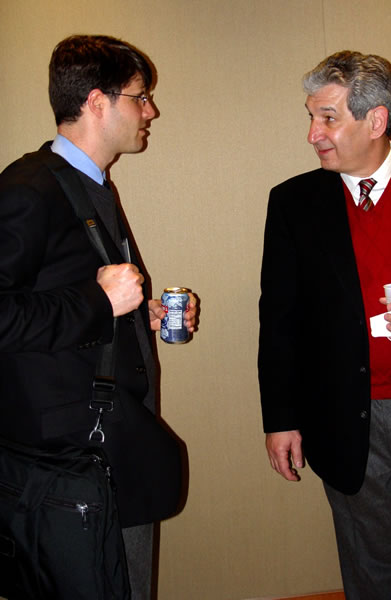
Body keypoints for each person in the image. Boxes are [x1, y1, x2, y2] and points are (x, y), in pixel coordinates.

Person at [258, 50, 391, 599]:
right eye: (311, 117)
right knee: (370, 572)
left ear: (376, 120)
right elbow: (279, 319)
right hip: (345, 417)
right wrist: (281, 418)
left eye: (328, 118)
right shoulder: (293, 203)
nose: (313, 134)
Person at [0, 35, 196, 599]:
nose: (151, 111)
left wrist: (135, 318)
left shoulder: (87, 186)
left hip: (102, 454)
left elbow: (60, 298)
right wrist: (98, 302)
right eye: (140, 97)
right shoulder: (30, 188)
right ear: (96, 102)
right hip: (69, 468)